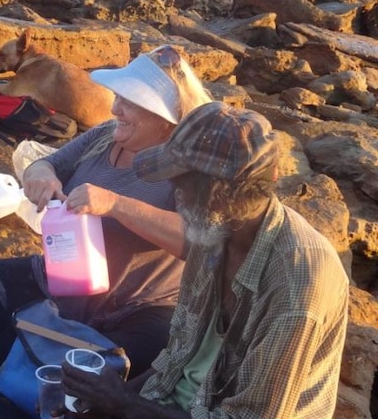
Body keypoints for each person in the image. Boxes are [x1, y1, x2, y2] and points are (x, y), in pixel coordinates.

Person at [60, 102, 349, 418]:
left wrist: (123, 403)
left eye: (182, 180)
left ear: (226, 192)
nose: (172, 189)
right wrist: (104, 402)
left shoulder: (296, 286)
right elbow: (176, 360)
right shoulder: (213, 230)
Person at [0, 45, 213, 392]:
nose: (115, 109)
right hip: (69, 279)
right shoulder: (104, 136)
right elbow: (48, 162)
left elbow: (198, 241)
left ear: (167, 118)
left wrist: (115, 204)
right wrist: (39, 175)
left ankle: (53, 345)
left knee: (134, 357)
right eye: (117, 97)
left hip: (140, 305)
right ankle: (59, 341)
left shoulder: (191, 168)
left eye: (130, 103)